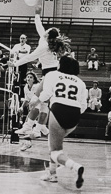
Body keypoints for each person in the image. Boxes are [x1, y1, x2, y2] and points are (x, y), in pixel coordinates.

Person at [8, 5, 71, 138]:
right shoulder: (46, 40)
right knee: (43, 104)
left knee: (37, 100)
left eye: (47, 31)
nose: (45, 31)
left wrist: (14, 64)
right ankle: (38, 129)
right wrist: (37, 14)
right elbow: (39, 27)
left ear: (48, 36)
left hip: (50, 74)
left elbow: (30, 57)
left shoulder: (45, 46)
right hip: (52, 74)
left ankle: (30, 128)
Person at [30, 56, 86, 188]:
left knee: (55, 151)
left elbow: (46, 94)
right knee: (52, 143)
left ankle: (76, 167)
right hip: (75, 114)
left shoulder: (52, 74)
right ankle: (52, 174)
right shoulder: (80, 82)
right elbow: (83, 106)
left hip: (59, 109)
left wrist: (34, 102)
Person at [18, 71, 42, 151]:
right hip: (32, 109)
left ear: (34, 79)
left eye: (31, 77)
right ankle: (27, 143)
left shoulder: (37, 86)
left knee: (29, 125)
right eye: (28, 77)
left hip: (41, 108)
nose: (29, 79)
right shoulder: (25, 87)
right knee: (28, 125)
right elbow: (27, 99)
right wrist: (21, 107)